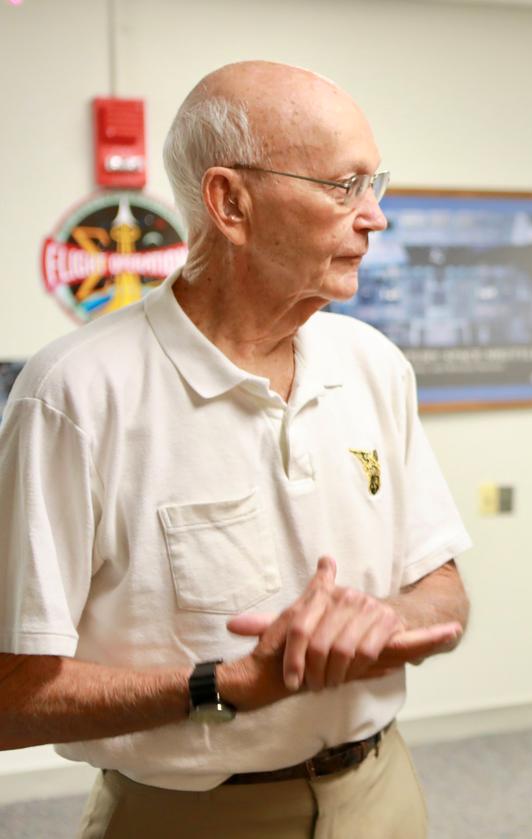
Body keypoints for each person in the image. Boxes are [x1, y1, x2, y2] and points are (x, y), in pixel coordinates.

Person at [0, 61, 472, 838]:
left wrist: (380, 619)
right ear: (230, 202)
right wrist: (219, 684)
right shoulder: (75, 394)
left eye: (374, 183)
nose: (375, 216)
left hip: (382, 792)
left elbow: (444, 588)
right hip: (189, 817)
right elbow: (12, 693)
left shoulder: (373, 364)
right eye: (345, 185)